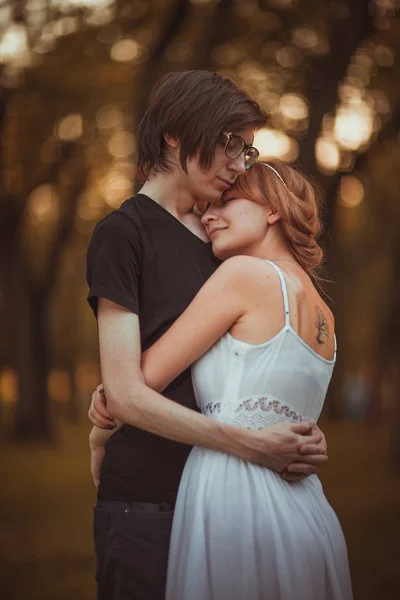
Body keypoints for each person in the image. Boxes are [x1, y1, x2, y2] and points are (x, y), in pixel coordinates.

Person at [87, 70, 329, 600]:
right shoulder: (122, 234)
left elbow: (255, 355)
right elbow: (127, 391)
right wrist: (250, 444)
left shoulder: (223, 240)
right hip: (147, 503)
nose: (240, 163)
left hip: (228, 505)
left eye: (248, 149)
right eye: (229, 144)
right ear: (176, 133)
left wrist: (291, 427)